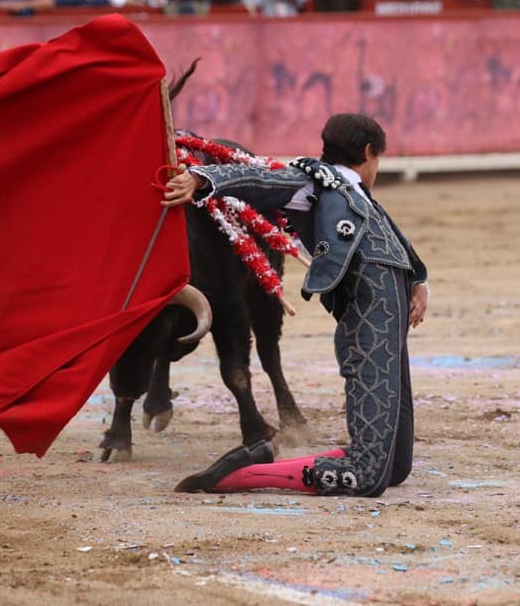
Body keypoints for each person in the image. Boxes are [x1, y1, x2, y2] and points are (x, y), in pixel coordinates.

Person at [165, 114, 430, 497]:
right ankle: (245, 473)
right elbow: (259, 180)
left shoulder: (359, 196)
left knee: (397, 467)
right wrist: (204, 179)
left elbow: (395, 241)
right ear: (370, 152)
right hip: (368, 317)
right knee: (369, 476)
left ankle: (305, 460)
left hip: (391, 326)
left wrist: (419, 281)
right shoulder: (313, 181)